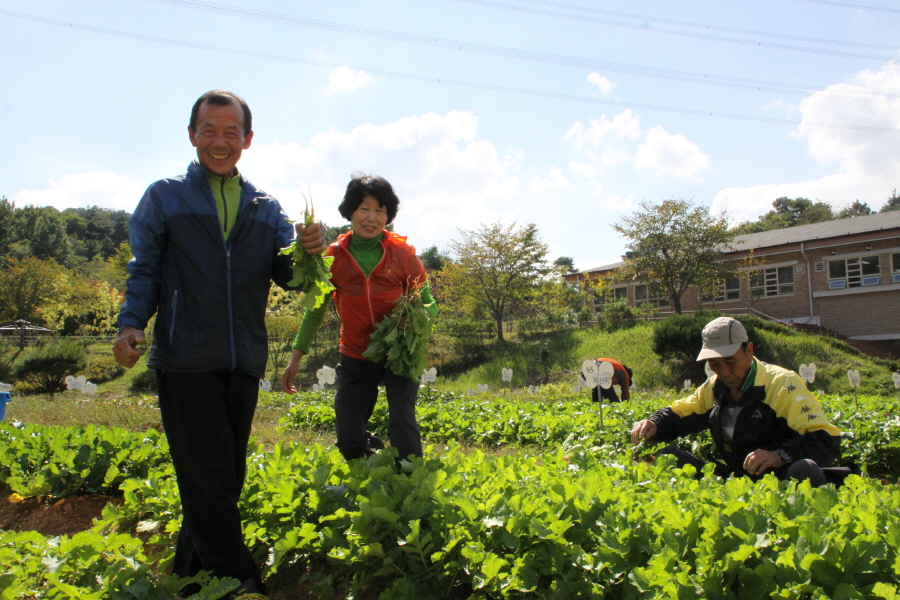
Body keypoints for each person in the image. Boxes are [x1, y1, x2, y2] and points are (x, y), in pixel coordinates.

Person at [112, 90, 326, 600]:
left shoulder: (264, 206)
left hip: (243, 358)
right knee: (207, 471)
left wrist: (308, 251)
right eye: (209, 130)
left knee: (223, 476)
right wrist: (130, 323)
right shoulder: (165, 198)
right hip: (187, 356)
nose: (220, 141)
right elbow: (143, 269)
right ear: (192, 135)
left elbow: (289, 275)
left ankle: (190, 577)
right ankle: (238, 582)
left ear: (247, 140)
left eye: (232, 132)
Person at [281, 173, 437, 463]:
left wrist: (418, 317)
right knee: (349, 436)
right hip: (355, 353)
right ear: (350, 211)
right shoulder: (333, 257)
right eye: (364, 208)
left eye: (380, 210)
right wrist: (295, 357)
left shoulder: (403, 255)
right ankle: (373, 462)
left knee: (402, 422)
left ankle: (410, 482)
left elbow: (429, 303)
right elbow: (314, 311)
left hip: (399, 352)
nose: (372, 217)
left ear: (388, 216)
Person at [630, 316, 843, 487]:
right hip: (736, 481)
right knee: (669, 457)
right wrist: (654, 423)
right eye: (714, 364)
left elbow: (826, 439)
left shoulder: (781, 383)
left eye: (730, 361)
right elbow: (683, 412)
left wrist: (781, 455)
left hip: (779, 480)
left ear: (749, 351)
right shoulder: (714, 387)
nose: (724, 372)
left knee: (805, 471)